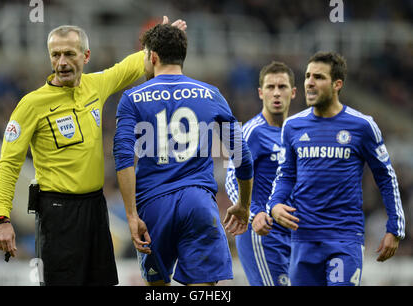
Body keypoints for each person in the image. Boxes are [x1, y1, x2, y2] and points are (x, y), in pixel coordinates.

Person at [0, 17, 187, 286]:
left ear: (86, 56)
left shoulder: (95, 85)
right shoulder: (31, 105)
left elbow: (129, 67)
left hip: (96, 209)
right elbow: (8, 164)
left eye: (69, 54)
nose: (62, 62)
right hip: (57, 214)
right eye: (55, 55)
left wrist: (164, 39)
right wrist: (1, 218)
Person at [113, 24, 254, 286]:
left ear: (152, 57)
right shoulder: (212, 94)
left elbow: (123, 159)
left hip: (153, 207)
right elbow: (242, 156)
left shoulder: (132, 98)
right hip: (198, 203)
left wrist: (131, 216)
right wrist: (244, 205)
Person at [266, 51, 406, 286]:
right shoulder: (292, 126)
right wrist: (274, 205)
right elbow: (286, 175)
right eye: (308, 76)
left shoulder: (362, 125)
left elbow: (385, 176)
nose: (309, 82)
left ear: (337, 84)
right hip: (303, 237)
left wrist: (395, 227)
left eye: (319, 77)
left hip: (343, 237)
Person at [225, 61, 296, 286]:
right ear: (260, 92)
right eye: (270, 87)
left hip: (295, 233)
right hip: (263, 232)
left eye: (282, 87)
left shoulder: (298, 132)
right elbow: (230, 179)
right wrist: (253, 213)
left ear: (293, 92)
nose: (276, 93)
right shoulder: (251, 132)